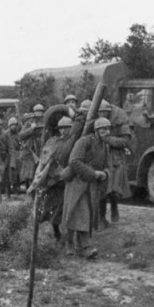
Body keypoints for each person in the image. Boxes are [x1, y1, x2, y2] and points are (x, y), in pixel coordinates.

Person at [60, 118, 111, 259]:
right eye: (103, 129)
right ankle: (80, 246)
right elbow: (74, 161)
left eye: (108, 129)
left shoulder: (105, 146)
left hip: (92, 185)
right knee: (77, 213)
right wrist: (93, 173)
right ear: (96, 131)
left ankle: (77, 245)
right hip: (77, 182)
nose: (107, 132)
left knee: (87, 215)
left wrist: (105, 174)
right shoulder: (84, 141)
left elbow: (107, 165)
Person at [33, 116, 79, 245]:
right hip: (54, 180)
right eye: (62, 128)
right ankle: (57, 232)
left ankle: (71, 238)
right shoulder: (53, 141)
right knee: (53, 207)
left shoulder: (75, 141)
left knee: (69, 207)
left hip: (69, 178)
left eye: (67, 128)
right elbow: (45, 158)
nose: (64, 130)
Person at [98, 99, 132, 227]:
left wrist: (107, 139)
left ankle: (114, 208)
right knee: (100, 189)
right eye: (100, 113)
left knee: (114, 188)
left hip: (115, 157)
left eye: (105, 112)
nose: (102, 115)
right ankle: (101, 217)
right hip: (98, 155)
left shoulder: (120, 116)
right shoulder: (93, 118)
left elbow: (125, 141)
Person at [3, 117, 22, 196]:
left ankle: (16, 189)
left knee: (16, 174)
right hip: (8, 156)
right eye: (12, 125)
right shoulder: (6, 134)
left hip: (16, 156)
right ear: (9, 126)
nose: (14, 126)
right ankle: (8, 193)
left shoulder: (17, 135)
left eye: (15, 125)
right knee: (7, 175)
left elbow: (19, 144)